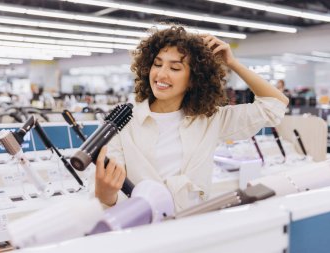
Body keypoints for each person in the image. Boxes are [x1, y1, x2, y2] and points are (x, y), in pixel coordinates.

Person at [94, 26, 289, 211]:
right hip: (142, 230)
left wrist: (232, 63)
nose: (161, 74)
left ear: (194, 78)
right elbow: (111, 194)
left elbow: (274, 106)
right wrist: (106, 195)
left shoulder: (209, 120)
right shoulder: (123, 122)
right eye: (157, 64)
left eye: (175, 68)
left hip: (192, 228)